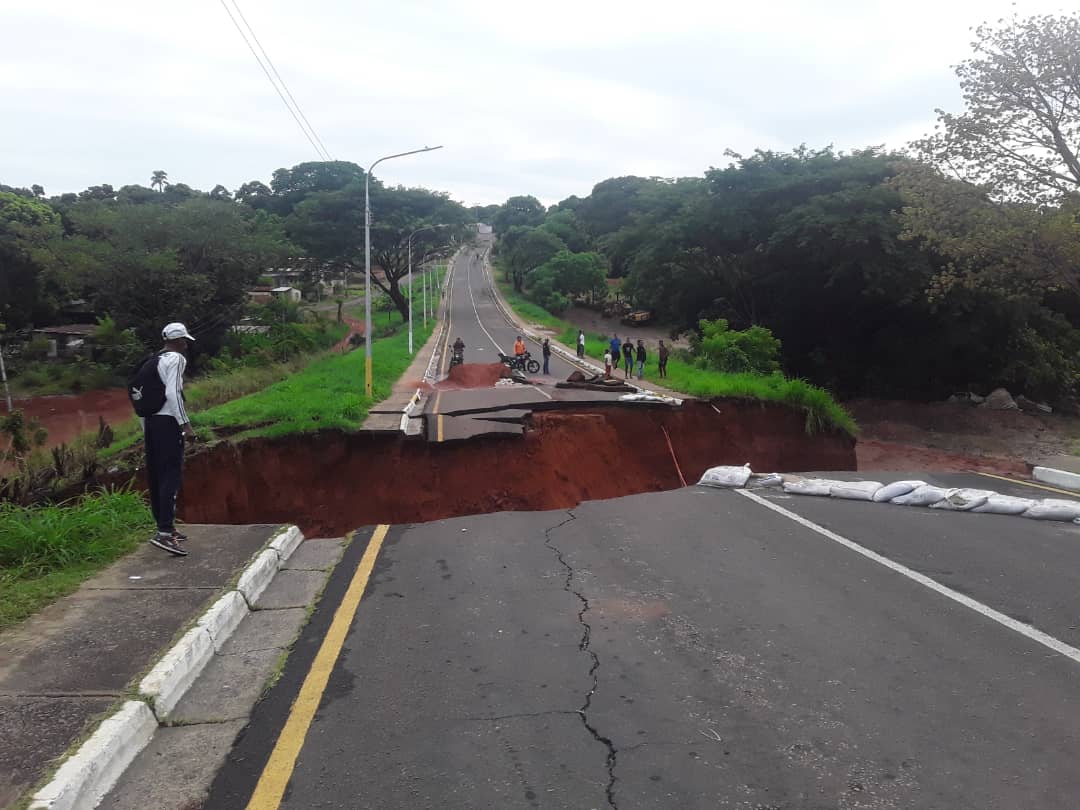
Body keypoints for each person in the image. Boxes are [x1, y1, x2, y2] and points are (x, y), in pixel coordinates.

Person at [146, 322, 196, 557]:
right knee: (171, 476)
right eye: (184, 340)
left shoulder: (154, 360)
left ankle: (166, 526)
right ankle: (165, 533)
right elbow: (173, 393)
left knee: (157, 476)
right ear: (177, 341)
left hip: (152, 424)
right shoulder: (176, 359)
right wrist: (185, 425)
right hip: (168, 424)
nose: (186, 344)